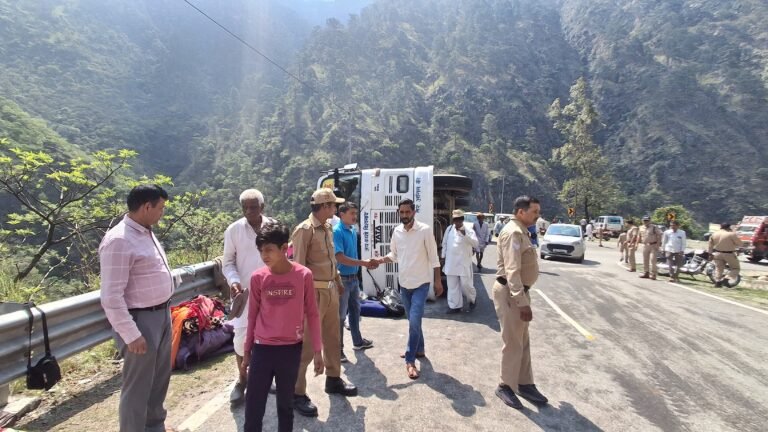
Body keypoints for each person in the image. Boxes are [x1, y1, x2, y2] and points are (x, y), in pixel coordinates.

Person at [99, 184, 174, 432]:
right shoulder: (119, 240)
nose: (162, 212)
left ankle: (154, 427)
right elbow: (111, 296)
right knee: (138, 386)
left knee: (159, 380)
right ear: (146, 207)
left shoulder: (145, 231)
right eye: (161, 207)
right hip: (140, 320)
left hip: (161, 315)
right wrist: (131, 334)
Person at [242, 222, 324, 432]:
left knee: (285, 405)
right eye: (261, 250)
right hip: (262, 349)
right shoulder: (258, 277)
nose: (264, 255)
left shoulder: (303, 275)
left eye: (269, 249)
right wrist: (247, 352)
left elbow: (313, 314)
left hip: (290, 349)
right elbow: (252, 316)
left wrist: (317, 351)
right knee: (253, 405)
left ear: (284, 248)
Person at [290, 188, 357, 417]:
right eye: (333, 205)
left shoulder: (327, 228)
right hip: (313, 295)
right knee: (308, 344)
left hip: (330, 291)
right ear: (325, 206)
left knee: (332, 338)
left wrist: (337, 281)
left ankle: (334, 379)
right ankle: (297, 393)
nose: (336, 208)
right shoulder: (304, 231)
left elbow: (330, 261)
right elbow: (297, 269)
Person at [373, 199, 444, 380]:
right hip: (403, 285)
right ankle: (419, 349)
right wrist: (379, 261)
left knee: (414, 321)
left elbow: (434, 259)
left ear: (413, 212)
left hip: (421, 284)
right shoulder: (397, 231)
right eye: (401, 212)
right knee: (413, 321)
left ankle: (410, 360)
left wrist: (438, 281)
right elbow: (394, 255)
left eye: (407, 212)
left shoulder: (425, 231)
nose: (404, 215)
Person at [493, 195, 548, 409]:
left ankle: (524, 383)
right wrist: (521, 301)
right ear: (521, 212)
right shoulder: (513, 232)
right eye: (534, 211)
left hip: (519, 292)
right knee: (513, 342)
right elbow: (512, 271)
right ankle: (505, 386)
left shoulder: (523, 231)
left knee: (522, 340)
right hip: (511, 292)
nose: (538, 215)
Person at [222, 189, 274, 403]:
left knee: (271, 338)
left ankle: (265, 378)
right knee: (242, 340)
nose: (249, 211)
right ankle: (242, 381)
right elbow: (227, 262)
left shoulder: (273, 227)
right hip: (244, 295)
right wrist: (234, 281)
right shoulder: (234, 230)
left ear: (262, 207)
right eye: (245, 207)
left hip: (272, 295)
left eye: (253, 207)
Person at [333, 202, 375, 363]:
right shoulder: (337, 232)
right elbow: (340, 257)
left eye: (355, 213)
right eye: (351, 213)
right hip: (342, 279)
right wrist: (363, 263)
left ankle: (357, 342)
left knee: (355, 312)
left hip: (353, 279)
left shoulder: (351, 230)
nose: (354, 216)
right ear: (341, 214)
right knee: (340, 317)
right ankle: (338, 350)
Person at [442, 209, 479, 314]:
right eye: (455, 219)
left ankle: (472, 299)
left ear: (462, 219)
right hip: (451, 263)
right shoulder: (449, 229)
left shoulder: (468, 230)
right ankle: (455, 306)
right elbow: (444, 243)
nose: (457, 221)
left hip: (463, 263)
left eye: (459, 219)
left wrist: (465, 235)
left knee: (466, 285)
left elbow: (475, 244)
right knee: (452, 286)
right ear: (453, 220)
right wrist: (443, 256)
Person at [707, 223, 742, 287]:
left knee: (719, 268)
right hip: (729, 254)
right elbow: (740, 244)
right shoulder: (731, 234)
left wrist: (710, 254)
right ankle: (726, 278)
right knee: (736, 268)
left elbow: (710, 245)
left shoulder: (714, 234)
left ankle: (717, 281)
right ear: (729, 227)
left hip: (717, 253)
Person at [638, 216, 663, 280]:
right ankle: (646, 273)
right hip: (645, 245)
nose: (645, 222)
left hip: (653, 245)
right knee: (645, 260)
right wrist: (637, 244)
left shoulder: (654, 227)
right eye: (644, 220)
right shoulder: (641, 227)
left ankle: (653, 274)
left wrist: (658, 244)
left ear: (650, 221)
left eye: (647, 220)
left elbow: (659, 235)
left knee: (653, 260)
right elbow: (639, 236)